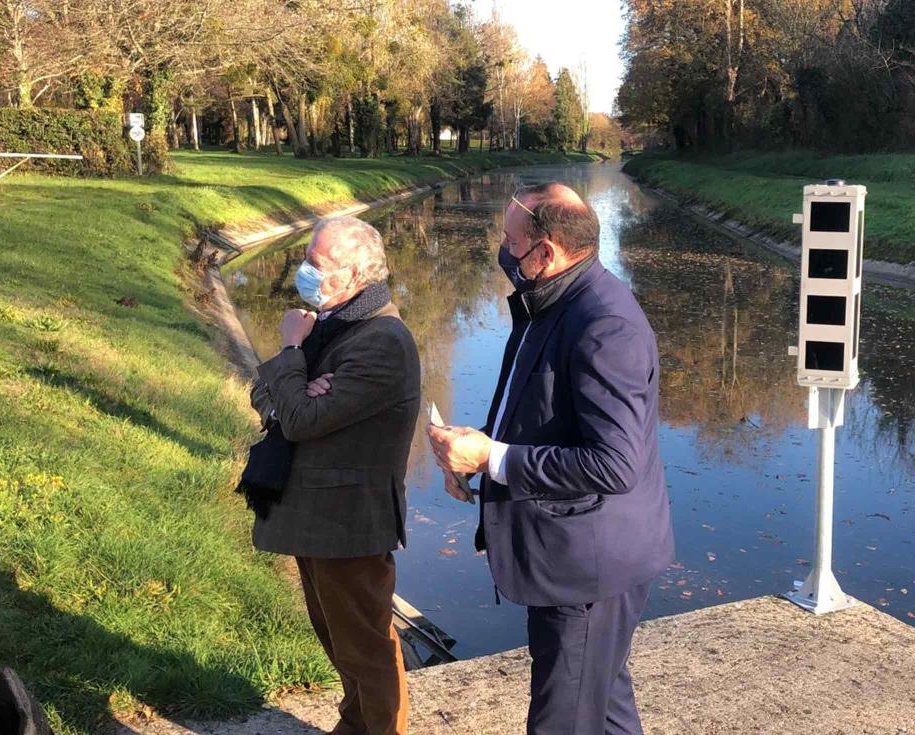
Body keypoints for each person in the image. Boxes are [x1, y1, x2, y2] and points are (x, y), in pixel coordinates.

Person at [427, 183, 674, 735]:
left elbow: (613, 464)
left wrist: (493, 459)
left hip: (588, 568)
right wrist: (477, 448)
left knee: (562, 720)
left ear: (549, 250)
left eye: (512, 244)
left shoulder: (605, 325)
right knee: (603, 705)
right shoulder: (551, 300)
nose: (503, 254)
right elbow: (538, 409)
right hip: (577, 558)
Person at [249, 215, 420, 735]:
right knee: (334, 636)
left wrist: (290, 355)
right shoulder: (329, 323)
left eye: (317, 264)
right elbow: (265, 395)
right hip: (313, 513)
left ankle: (381, 730)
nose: (304, 271)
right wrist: (293, 387)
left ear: (356, 275)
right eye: (306, 257)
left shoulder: (381, 340)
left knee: (365, 644)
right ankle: (354, 723)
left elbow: (299, 417)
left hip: (349, 522)